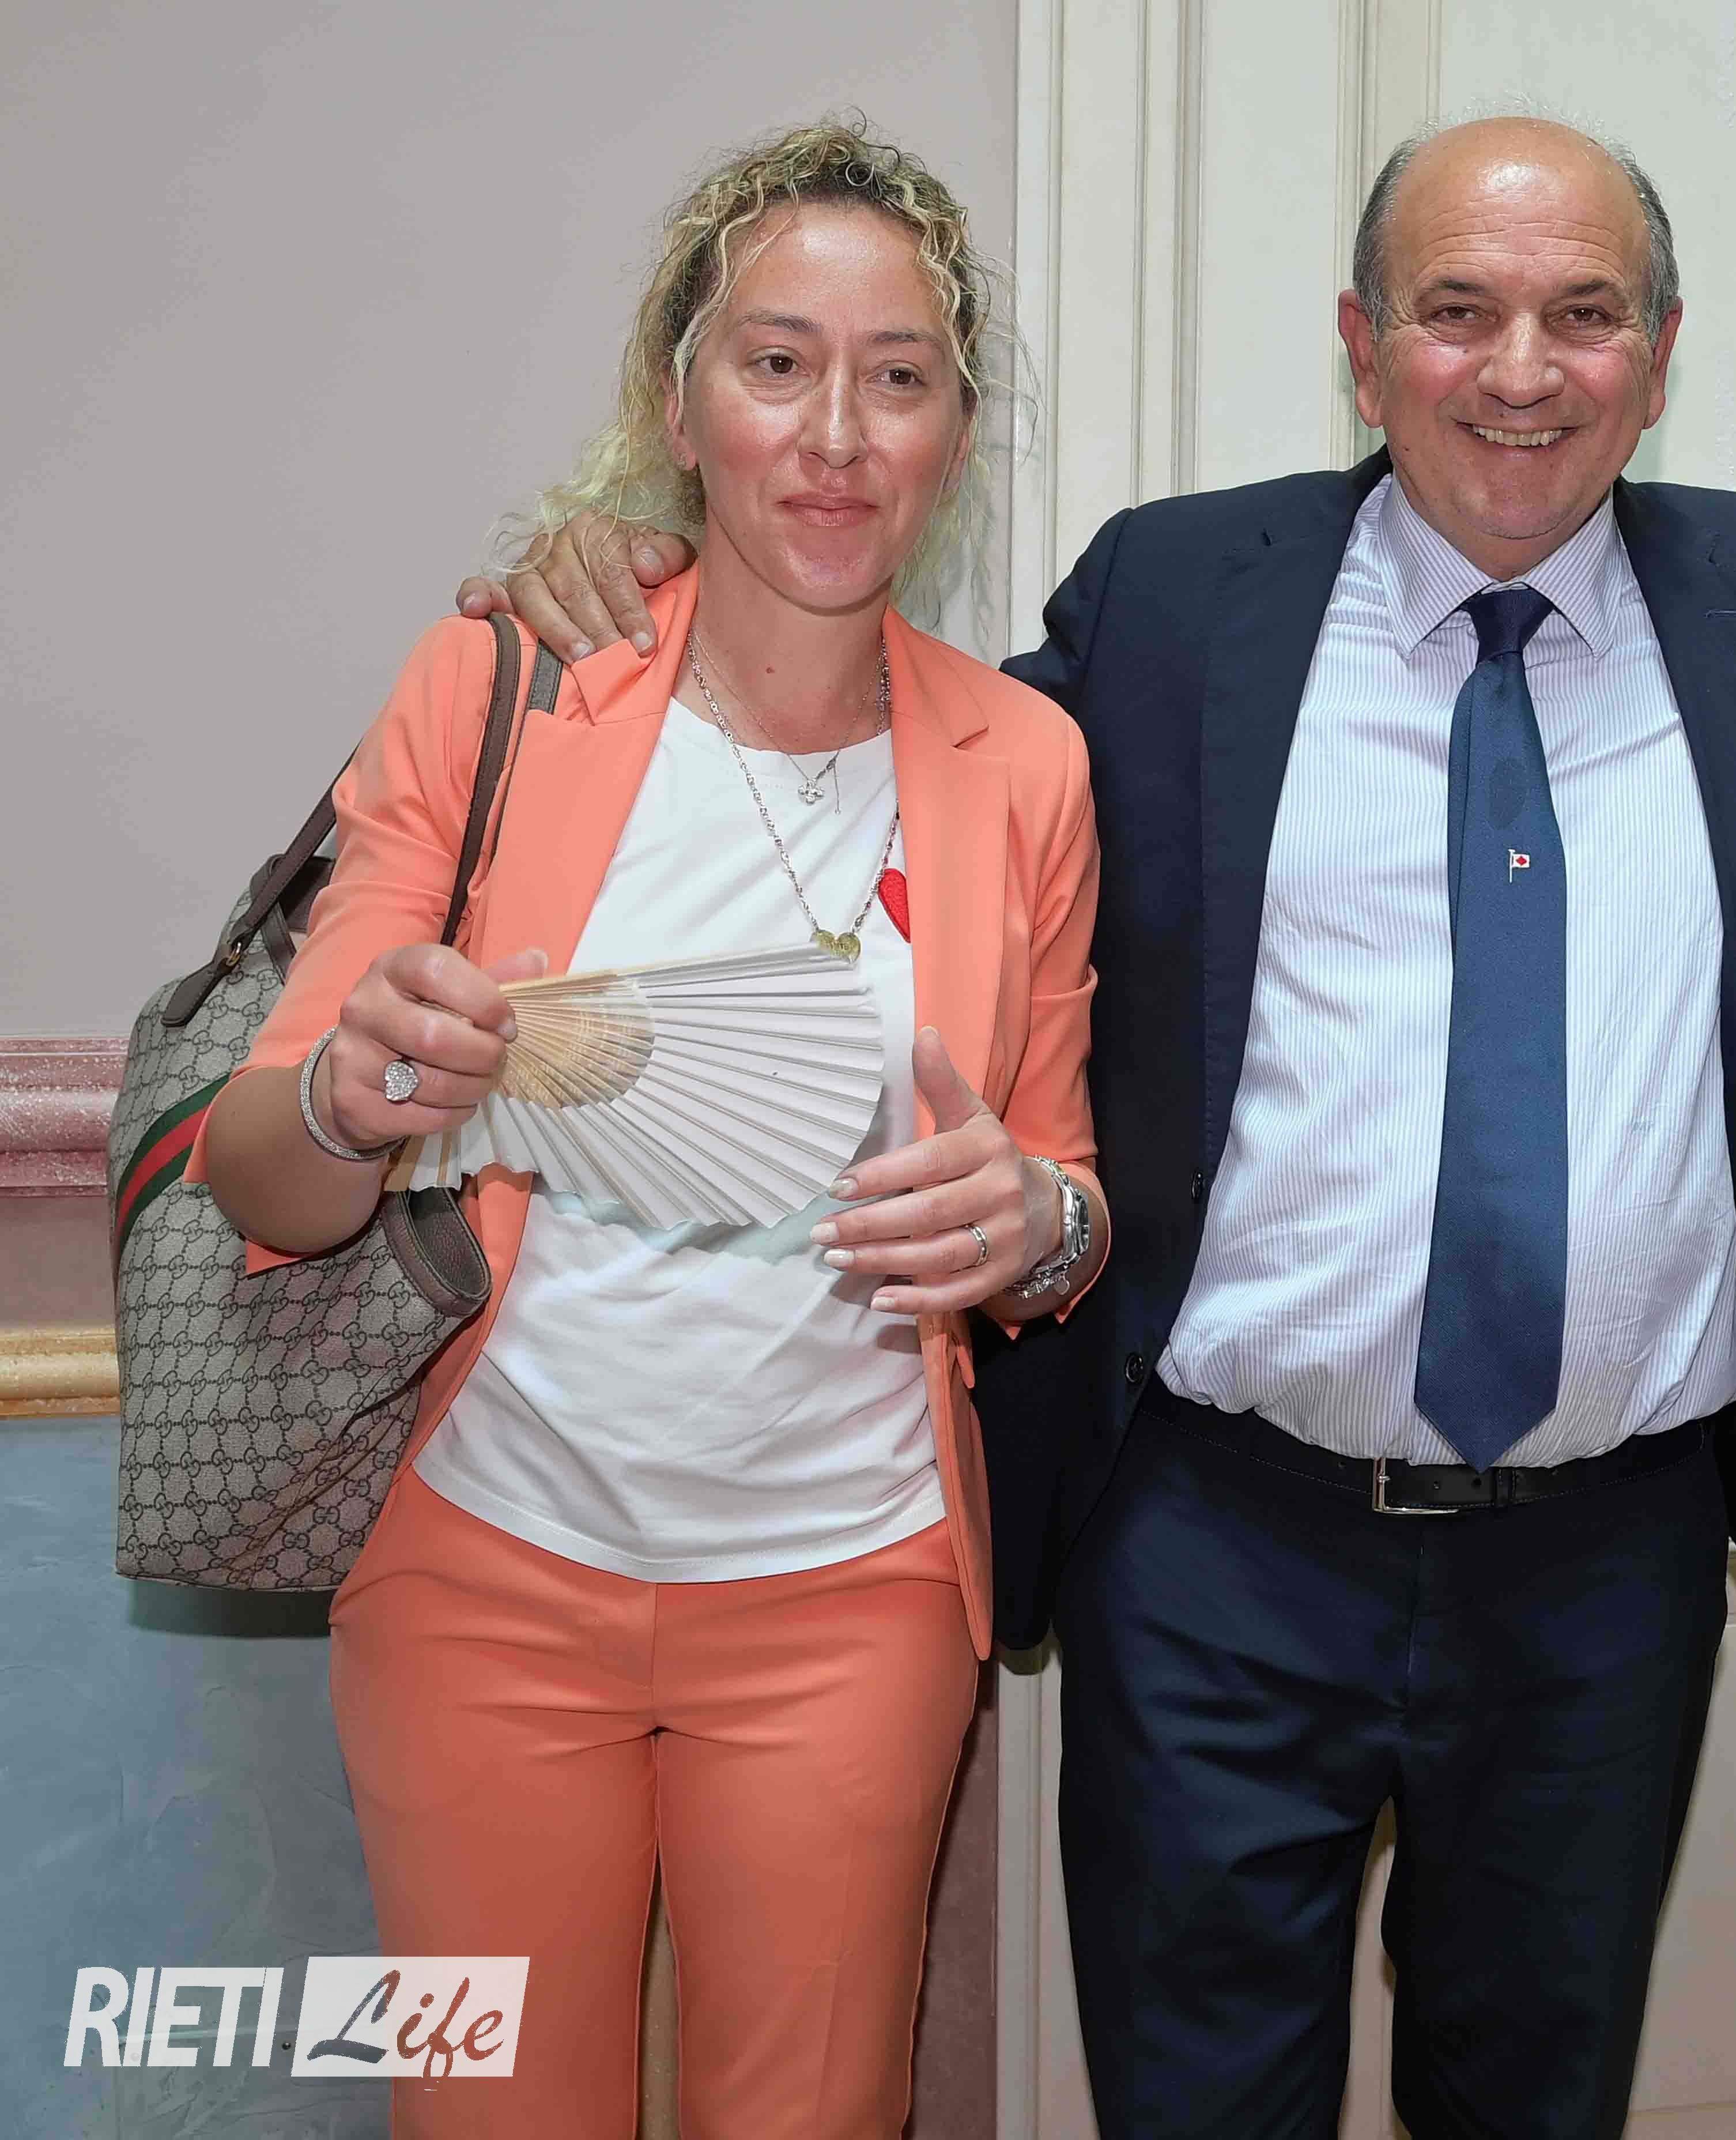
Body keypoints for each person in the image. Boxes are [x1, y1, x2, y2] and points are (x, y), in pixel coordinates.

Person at [473, 113, 1736, 2138]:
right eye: (1458, 311)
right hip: (1214, 1548)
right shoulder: (1177, 599)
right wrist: (655, 565)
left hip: (1605, 1569)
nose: (1521, 370)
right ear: (1361, 346)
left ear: (1662, 354)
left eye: (1586, 314)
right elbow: (896, 747)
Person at [197, 123, 1107, 2138]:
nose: (836, 434)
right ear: (683, 407)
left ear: (957, 432)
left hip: (854, 1593)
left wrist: (1038, 1224)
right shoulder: (505, 686)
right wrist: (351, 1093)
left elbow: (1061, 1190)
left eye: (898, 375)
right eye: (778, 364)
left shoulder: (1026, 763)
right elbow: (263, 1172)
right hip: (481, 1575)